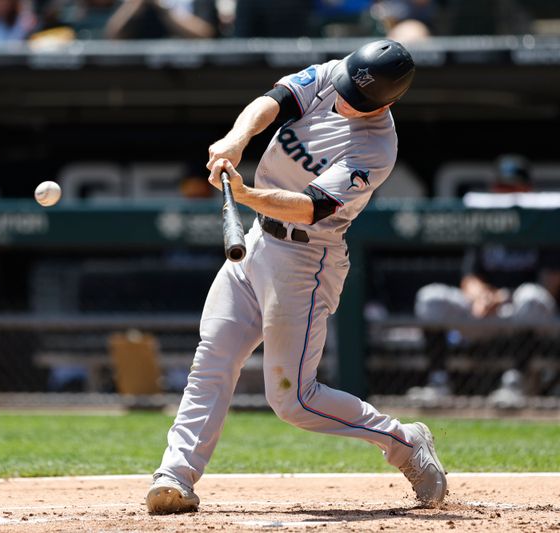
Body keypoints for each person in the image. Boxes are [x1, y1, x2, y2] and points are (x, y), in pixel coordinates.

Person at [146, 39, 448, 515]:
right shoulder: (336, 74)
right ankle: (175, 474)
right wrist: (235, 139)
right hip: (257, 243)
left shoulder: (376, 148)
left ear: (387, 102)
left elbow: (311, 207)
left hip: (306, 261)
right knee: (213, 358)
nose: (345, 98)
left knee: (294, 402)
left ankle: (405, 442)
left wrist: (246, 194)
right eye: (348, 87)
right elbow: (274, 101)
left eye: (360, 98)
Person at [412, 155, 560, 407]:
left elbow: (550, 284)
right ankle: (438, 383)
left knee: (531, 297)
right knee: (431, 297)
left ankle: (516, 382)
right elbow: (470, 276)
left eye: (512, 188)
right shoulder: (487, 222)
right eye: (501, 187)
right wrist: (481, 295)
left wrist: (500, 297)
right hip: (487, 311)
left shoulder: (543, 223)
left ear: (528, 190)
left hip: (527, 314)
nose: (505, 194)